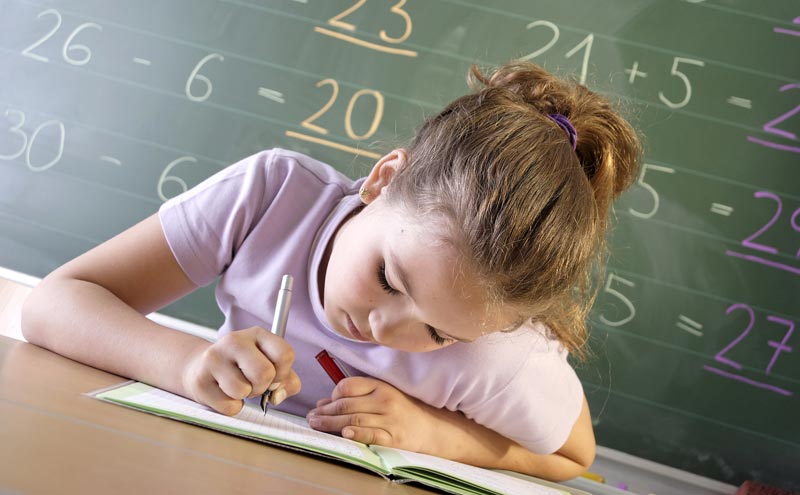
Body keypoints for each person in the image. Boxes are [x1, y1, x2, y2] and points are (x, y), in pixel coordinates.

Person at [22, 60, 641, 481]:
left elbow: (571, 455)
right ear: (383, 179)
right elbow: (53, 303)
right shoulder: (271, 197)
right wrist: (184, 363)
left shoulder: (496, 346)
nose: (384, 327)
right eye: (389, 279)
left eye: (438, 336)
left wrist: (433, 434)